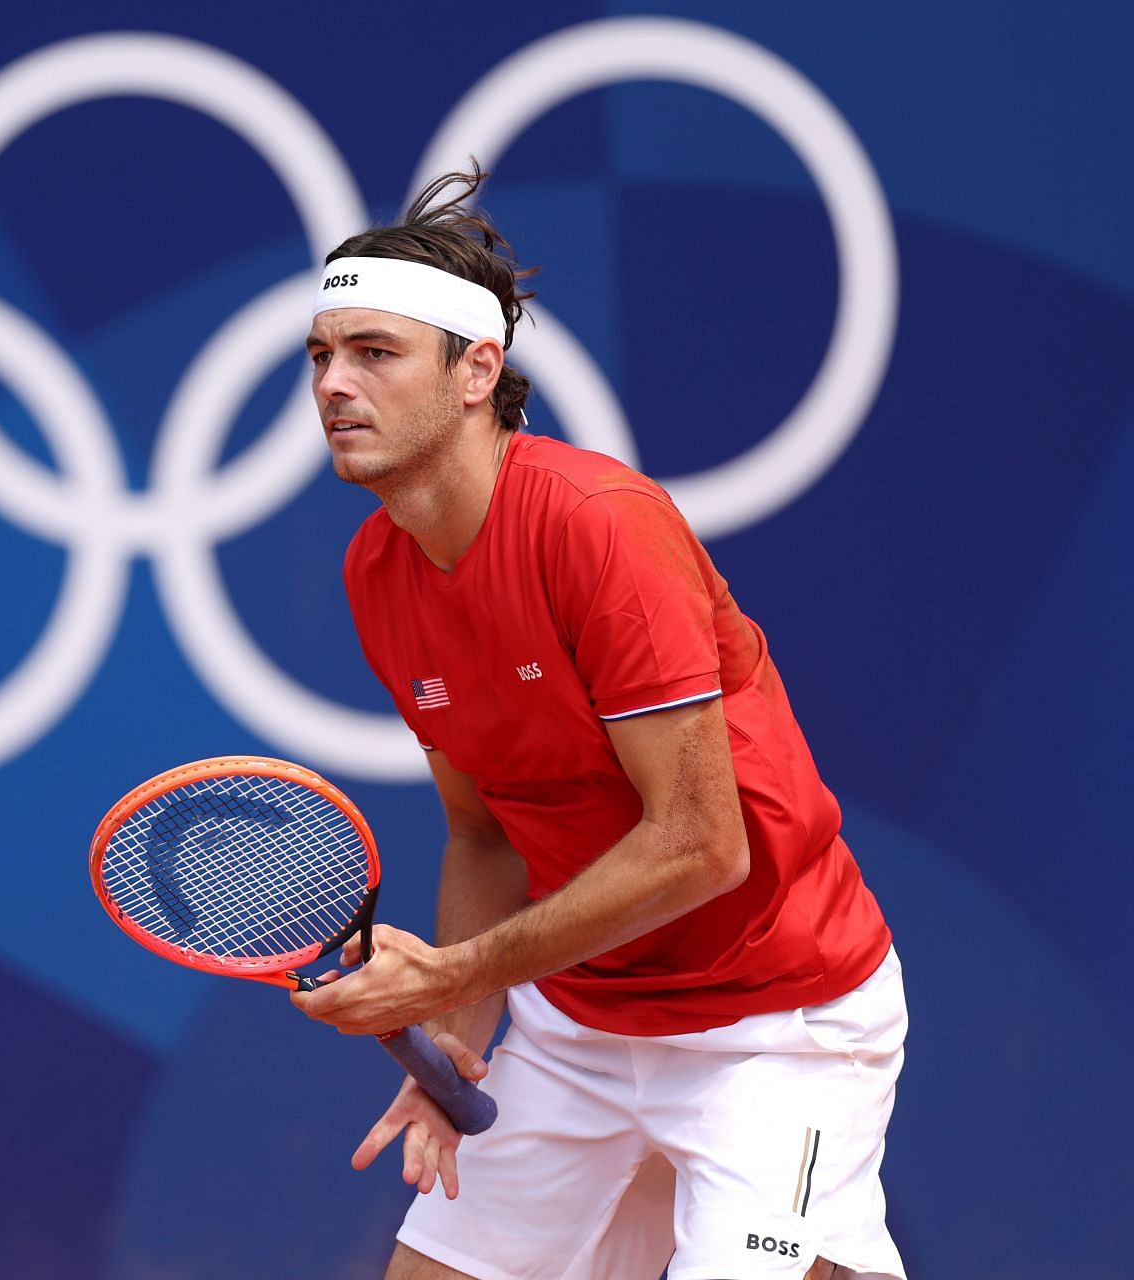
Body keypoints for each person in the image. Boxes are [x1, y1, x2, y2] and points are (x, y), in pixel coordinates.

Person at [291, 167, 906, 1280]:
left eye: (375, 352)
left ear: (477, 370)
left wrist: (446, 972)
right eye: (321, 355)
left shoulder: (597, 526)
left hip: (778, 1024)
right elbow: (483, 832)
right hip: (580, 1028)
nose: (335, 383)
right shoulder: (376, 567)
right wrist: (464, 1034)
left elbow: (701, 844)